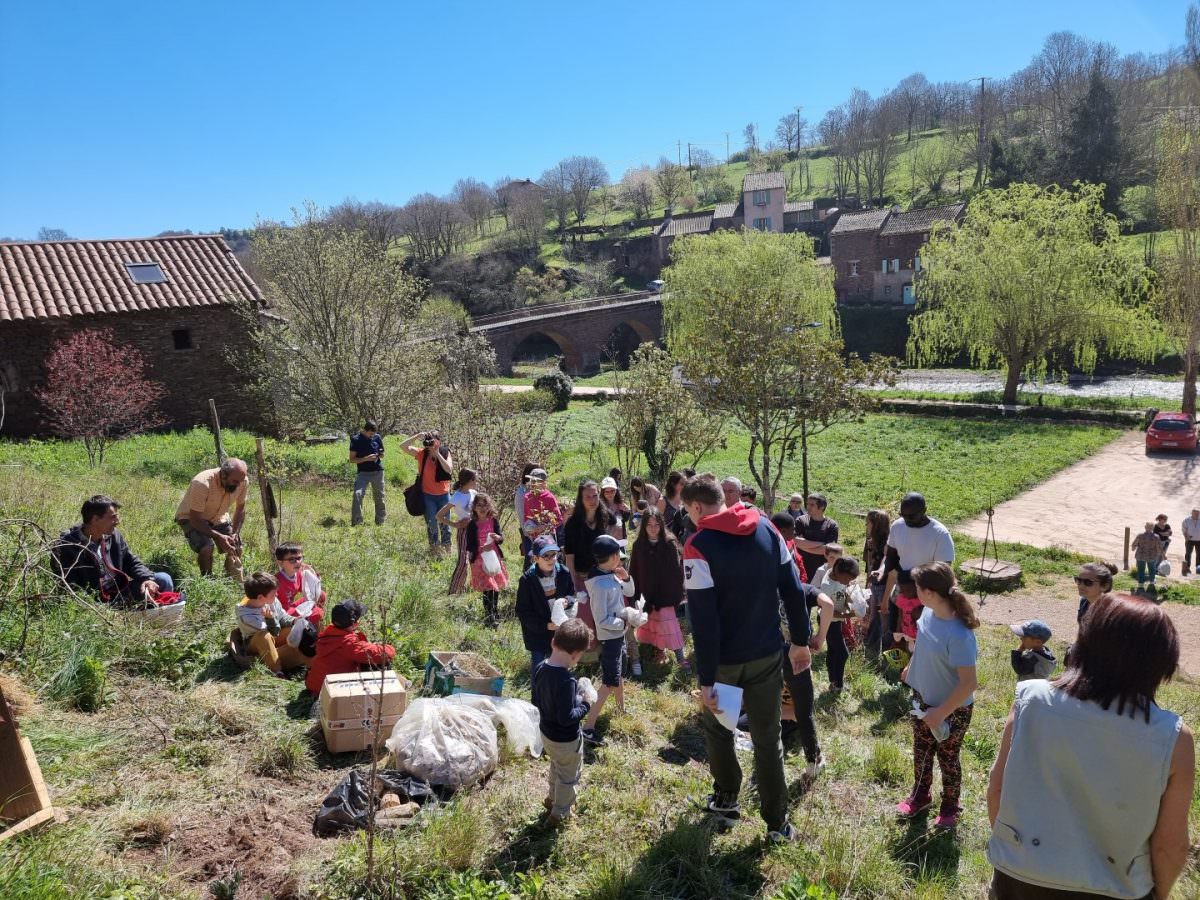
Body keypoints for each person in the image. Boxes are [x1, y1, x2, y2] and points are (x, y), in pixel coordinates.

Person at [987, 593, 1194, 900]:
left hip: (1020, 877)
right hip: (1116, 887)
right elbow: (1170, 845)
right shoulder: (1174, 738)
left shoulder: (1030, 699)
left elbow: (997, 790)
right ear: (1160, 662)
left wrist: (1021, 857)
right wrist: (1158, 894)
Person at [682, 473, 812, 843]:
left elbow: (703, 621)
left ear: (696, 507)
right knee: (768, 738)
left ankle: (726, 799)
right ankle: (777, 823)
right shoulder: (768, 529)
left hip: (723, 662)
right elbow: (794, 589)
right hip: (767, 654)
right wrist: (800, 641)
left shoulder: (698, 545)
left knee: (720, 730)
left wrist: (706, 678)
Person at [897, 562, 979, 829]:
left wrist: (940, 712)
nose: (913, 591)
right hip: (923, 701)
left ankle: (950, 806)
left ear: (930, 592)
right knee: (921, 753)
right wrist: (912, 668)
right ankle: (921, 796)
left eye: (918, 588)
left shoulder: (959, 634)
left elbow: (969, 684)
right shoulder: (929, 614)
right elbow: (922, 643)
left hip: (951, 710)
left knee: (948, 758)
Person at [770, 512, 831, 779]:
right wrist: (820, 636)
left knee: (766, 706)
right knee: (805, 712)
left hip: (767, 654)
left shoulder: (762, 589)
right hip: (797, 655)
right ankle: (813, 760)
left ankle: (772, 758)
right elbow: (828, 604)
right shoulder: (802, 589)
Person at [531, 618, 596, 827]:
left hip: (546, 734)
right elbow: (567, 718)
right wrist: (586, 704)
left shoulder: (540, 667)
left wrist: (573, 697)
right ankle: (559, 814)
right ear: (576, 655)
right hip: (566, 741)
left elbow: (537, 700)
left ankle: (552, 798)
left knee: (556, 766)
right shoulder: (567, 681)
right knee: (568, 776)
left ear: (553, 643)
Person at [54, 495, 174, 606]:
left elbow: (130, 561)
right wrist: (98, 608)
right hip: (94, 603)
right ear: (95, 519)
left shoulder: (113, 535)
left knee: (163, 579)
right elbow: (70, 588)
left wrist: (147, 579)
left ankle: (159, 615)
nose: (118, 521)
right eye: (113, 517)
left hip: (120, 592)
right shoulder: (67, 546)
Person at [875, 493, 954, 647]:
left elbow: (944, 571)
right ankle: (900, 663)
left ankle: (918, 664)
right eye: (903, 515)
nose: (907, 519)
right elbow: (891, 555)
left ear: (924, 510)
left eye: (912, 516)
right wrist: (883, 570)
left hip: (927, 590)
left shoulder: (939, 534)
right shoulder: (898, 526)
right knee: (898, 628)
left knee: (922, 633)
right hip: (902, 587)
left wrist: (917, 584)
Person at [580, 535, 636, 745]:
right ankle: (588, 726)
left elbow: (629, 591)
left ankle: (621, 709)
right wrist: (623, 623)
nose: (621, 560)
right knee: (609, 682)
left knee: (619, 672)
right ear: (613, 557)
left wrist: (626, 576)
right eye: (619, 557)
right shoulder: (600, 585)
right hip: (611, 637)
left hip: (618, 635)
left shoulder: (611, 575)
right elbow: (601, 619)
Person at [630, 509, 689, 675]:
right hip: (647, 594)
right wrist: (634, 593)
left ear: (662, 525)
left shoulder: (669, 543)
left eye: (657, 525)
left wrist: (676, 593)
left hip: (666, 595)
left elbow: (676, 572)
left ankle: (680, 657)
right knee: (653, 623)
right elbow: (634, 570)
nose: (653, 528)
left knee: (669, 624)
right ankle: (659, 650)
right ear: (644, 526)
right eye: (649, 525)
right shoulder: (639, 545)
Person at [304, 599, 397, 696]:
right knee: (378, 663)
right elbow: (382, 654)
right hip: (328, 691)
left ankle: (401, 680)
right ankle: (398, 683)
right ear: (355, 623)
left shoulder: (328, 634)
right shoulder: (348, 644)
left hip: (313, 684)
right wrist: (390, 648)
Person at [175, 458, 248, 578]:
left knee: (236, 546)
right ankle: (207, 578)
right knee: (207, 547)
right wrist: (219, 537)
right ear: (224, 474)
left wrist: (235, 533)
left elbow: (240, 508)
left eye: (241, 481)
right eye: (235, 481)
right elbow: (195, 520)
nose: (239, 485)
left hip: (218, 517)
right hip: (191, 518)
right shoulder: (202, 483)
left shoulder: (242, 481)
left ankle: (229, 577)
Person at [234, 572, 315, 676]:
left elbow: (282, 617)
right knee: (264, 637)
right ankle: (277, 671)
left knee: (295, 629)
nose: (276, 595)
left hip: (273, 634)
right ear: (260, 597)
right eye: (273, 593)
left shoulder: (271, 601)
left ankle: (305, 659)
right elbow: (273, 632)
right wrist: (270, 618)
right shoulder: (246, 616)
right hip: (257, 645)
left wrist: (294, 620)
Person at [516, 536, 576, 673]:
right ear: (536, 559)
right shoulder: (528, 580)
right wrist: (545, 625)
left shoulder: (563, 573)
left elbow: (571, 593)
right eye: (546, 556)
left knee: (560, 666)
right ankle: (537, 693)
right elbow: (522, 611)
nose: (552, 559)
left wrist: (567, 601)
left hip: (559, 630)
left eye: (554, 555)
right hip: (537, 632)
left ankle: (558, 692)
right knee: (539, 666)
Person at [562, 480, 615, 637]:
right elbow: (569, 558)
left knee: (606, 616)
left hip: (603, 575)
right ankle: (588, 657)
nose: (592, 501)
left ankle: (607, 653)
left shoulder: (604, 516)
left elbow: (616, 525)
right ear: (580, 499)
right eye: (587, 497)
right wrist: (573, 586)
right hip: (582, 577)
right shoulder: (573, 524)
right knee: (585, 620)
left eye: (595, 496)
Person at [401, 430, 453, 551]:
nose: (430, 444)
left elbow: (449, 469)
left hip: (444, 495)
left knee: (445, 523)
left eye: (433, 441)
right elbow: (403, 446)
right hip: (427, 495)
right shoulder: (421, 454)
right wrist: (417, 436)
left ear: (438, 442)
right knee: (432, 524)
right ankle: (434, 548)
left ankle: (447, 547)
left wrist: (437, 453)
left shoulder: (445, 452)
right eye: (428, 441)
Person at [814, 556, 859, 693]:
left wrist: (851, 601)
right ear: (839, 572)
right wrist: (849, 615)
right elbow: (828, 612)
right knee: (842, 653)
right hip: (829, 622)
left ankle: (833, 682)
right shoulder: (828, 586)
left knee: (834, 651)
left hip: (835, 621)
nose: (848, 582)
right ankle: (838, 685)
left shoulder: (837, 577)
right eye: (847, 579)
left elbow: (842, 592)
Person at [464, 493, 507, 628]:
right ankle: (489, 615)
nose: (482, 508)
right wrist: (482, 548)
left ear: (490, 506)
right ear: (474, 508)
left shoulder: (493, 520)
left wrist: (497, 538)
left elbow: (501, 538)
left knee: (495, 586)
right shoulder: (472, 524)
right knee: (488, 587)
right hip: (479, 560)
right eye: (479, 505)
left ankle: (495, 610)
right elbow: (469, 545)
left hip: (493, 558)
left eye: (485, 505)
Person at [437, 468, 479, 595]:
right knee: (463, 562)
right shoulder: (457, 497)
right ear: (470, 480)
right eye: (475, 479)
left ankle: (467, 587)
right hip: (464, 531)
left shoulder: (473, 492)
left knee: (474, 559)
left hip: (476, 530)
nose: (477, 481)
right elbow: (439, 515)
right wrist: (455, 525)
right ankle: (453, 592)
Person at [794, 492, 840, 587]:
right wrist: (821, 543)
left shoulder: (831, 525)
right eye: (807, 504)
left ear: (822, 507)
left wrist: (804, 545)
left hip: (821, 570)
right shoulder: (801, 521)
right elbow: (796, 541)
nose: (808, 507)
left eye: (812, 504)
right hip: (802, 568)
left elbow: (828, 550)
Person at [862, 508, 891, 659]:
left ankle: (884, 651)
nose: (866, 525)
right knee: (873, 615)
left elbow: (885, 563)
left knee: (882, 619)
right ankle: (871, 647)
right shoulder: (872, 542)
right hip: (875, 584)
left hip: (884, 585)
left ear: (875, 524)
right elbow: (870, 565)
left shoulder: (887, 543)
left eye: (868, 522)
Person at [274, 542, 325, 625]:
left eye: (299, 558)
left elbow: (311, 591)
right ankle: (304, 626)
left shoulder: (298, 574)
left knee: (322, 595)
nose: (297, 562)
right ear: (280, 563)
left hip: (291, 607)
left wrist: (312, 574)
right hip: (284, 614)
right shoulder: (276, 582)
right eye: (292, 560)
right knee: (318, 613)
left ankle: (312, 621)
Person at [348, 420, 386, 526]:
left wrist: (379, 455)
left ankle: (380, 521)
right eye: (370, 434)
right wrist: (366, 459)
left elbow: (382, 453)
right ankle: (357, 522)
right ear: (365, 430)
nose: (372, 436)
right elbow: (352, 459)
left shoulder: (377, 437)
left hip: (378, 472)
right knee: (357, 495)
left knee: (380, 497)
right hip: (363, 473)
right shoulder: (356, 439)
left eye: (373, 434)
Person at [521, 468, 564, 548]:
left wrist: (545, 527)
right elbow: (527, 518)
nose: (533, 484)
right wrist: (532, 528)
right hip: (535, 538)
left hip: (549, 537)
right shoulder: (527, 497)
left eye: (537, 482)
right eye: (532, 481)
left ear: (544, 483)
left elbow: (559, 519)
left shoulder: (549, 497)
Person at [1132, 522, 1165, 590]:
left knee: (1141, 570)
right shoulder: (1156, 537)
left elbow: (1134, 544)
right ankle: (1152, 582)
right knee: (1152, 569)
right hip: (1151, 556)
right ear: (1153, 528)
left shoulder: (1140, 535)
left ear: (1145, 527)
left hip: (1140, 555)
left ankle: (1140, 584)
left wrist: (1133, 548)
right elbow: (1159, 547)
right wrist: (1162, 555)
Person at [1182, 508, 1200, 576]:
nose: (1197, 514)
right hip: (1189, 540)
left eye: (1198, 513)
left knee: (1199, 555)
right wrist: (1186, 537)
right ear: (1192, 513)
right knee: (1188, 554)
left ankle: (1198, 569)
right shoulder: (1187, 520)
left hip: (1199, 540)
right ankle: (1187, 568)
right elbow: (1184, 529)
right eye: (1195, 513)